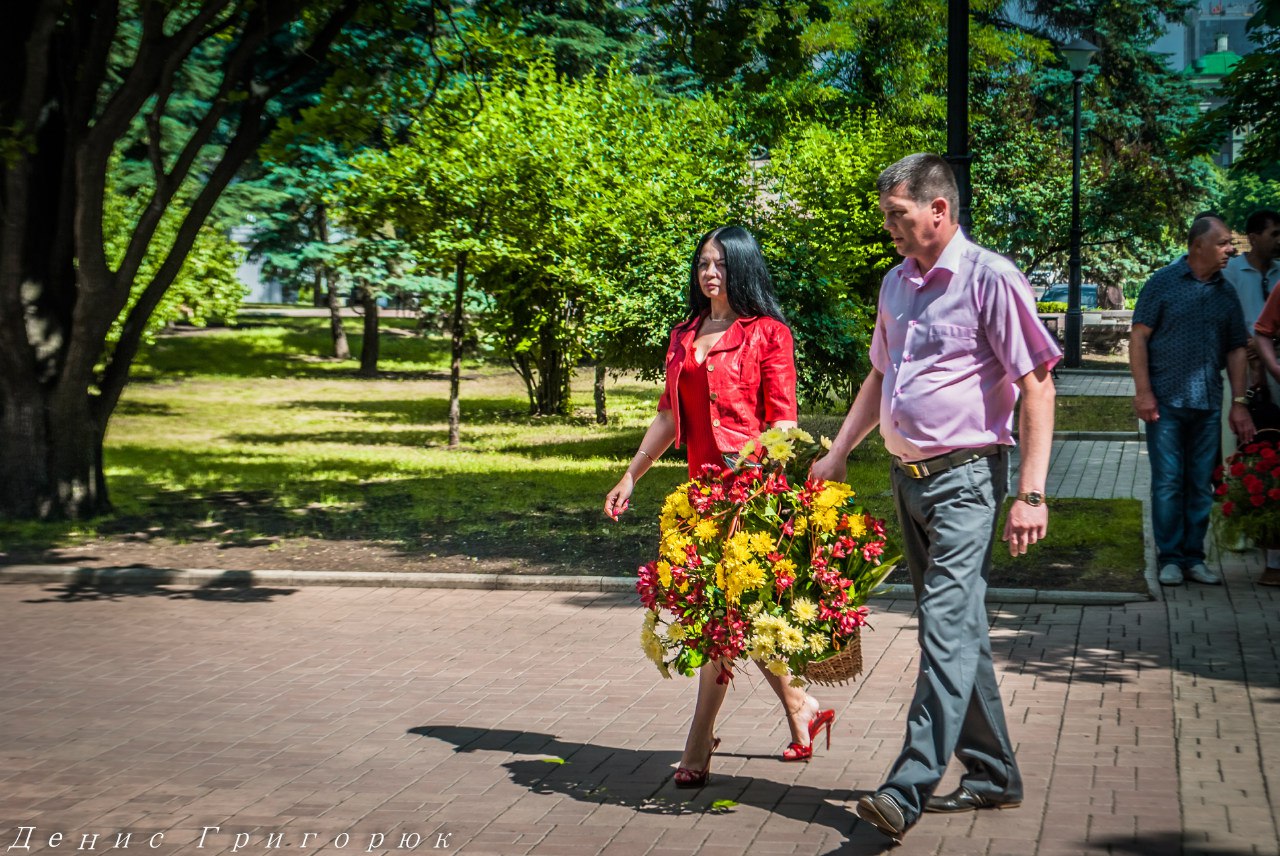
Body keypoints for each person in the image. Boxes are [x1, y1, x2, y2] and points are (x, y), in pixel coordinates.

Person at [810, 153, 1060, 842]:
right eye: (887, 215)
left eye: (897, 214)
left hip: (967, 481)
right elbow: (879, 377)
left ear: (938, 209)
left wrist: (1032, 493)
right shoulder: (896, 283)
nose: (889, 227)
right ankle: (993, 773)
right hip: (908, 481)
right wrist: (838, 451)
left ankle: (906, 788)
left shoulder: (990, 277)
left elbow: (1038, 385)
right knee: (958, 631)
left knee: (944, 630)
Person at [603, 225, 835, 789]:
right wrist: (631, 474)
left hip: (750, 496)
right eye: (704, 263)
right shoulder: (684, 334)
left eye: (722, 265)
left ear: (743, 269)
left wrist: (756, 473)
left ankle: (698, 743)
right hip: (699, 497)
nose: (710, 273)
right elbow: (668, 416)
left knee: (721, 620)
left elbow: (784, 424)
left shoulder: (769, 334)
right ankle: (801, 708)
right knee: (737, 619)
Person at [1130, 214, 1255, 588]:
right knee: (1169, 482)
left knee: (1201, 483)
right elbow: (1138, 338)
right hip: (1165, 403)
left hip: (1208, 403)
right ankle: (1170, 558)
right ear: (1198, 245)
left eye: (1230, 243)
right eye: (1223, 243)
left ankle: (1194, 558)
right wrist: (1143, 392)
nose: (1230, 249)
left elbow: (1236, 348)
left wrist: (1239, 401)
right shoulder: (1163, 283)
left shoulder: (1225, 292)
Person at [1235, 210, 1280, 584]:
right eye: (1274, 233)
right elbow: (1262, 330)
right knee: (1264, 457)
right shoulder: (1234, 272)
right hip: (1242, 372)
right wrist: (1270, 368)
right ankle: (1269, 554)